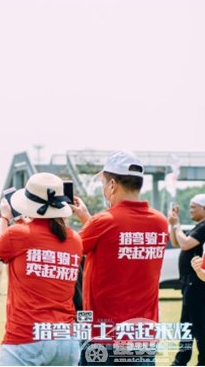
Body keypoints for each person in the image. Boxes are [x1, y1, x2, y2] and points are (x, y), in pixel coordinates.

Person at [72, 151, 168, 366]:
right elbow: (118, 243)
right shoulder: (160, 222)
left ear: (113, 184)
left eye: (104, 183)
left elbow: (70, 251)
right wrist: (89, 220)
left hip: (104, 336)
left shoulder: (103, 222)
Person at [0, 172, 82, 366]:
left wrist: (4, 217)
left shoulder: (19, 234)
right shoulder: (75, 239)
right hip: (66, 338)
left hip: (26, 337)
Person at [168, 193, 205, 366]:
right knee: (187, 324)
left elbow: (185, 244)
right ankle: (181, 359)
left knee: (196, 323)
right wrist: (172, 224)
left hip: (197, 282)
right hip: (189, 282)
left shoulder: (204, 226)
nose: (190, 210)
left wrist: (177, 225)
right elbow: (176, 242)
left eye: (193, 207)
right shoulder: (199, 226)